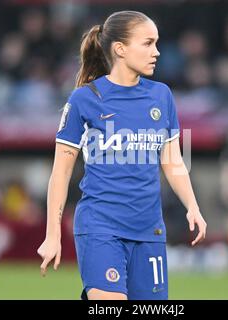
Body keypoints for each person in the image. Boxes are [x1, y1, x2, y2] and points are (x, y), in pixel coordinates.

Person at [37, 10, 207, 300]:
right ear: (120, 49)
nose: (157, 52)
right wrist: (52, 234)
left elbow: (173, 160)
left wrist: (193, 206)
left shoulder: (162, 95)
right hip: (100, 227)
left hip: (149, 230)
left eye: (157, 43)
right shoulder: (84, 99)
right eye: (148, 43)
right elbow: (61, 172)